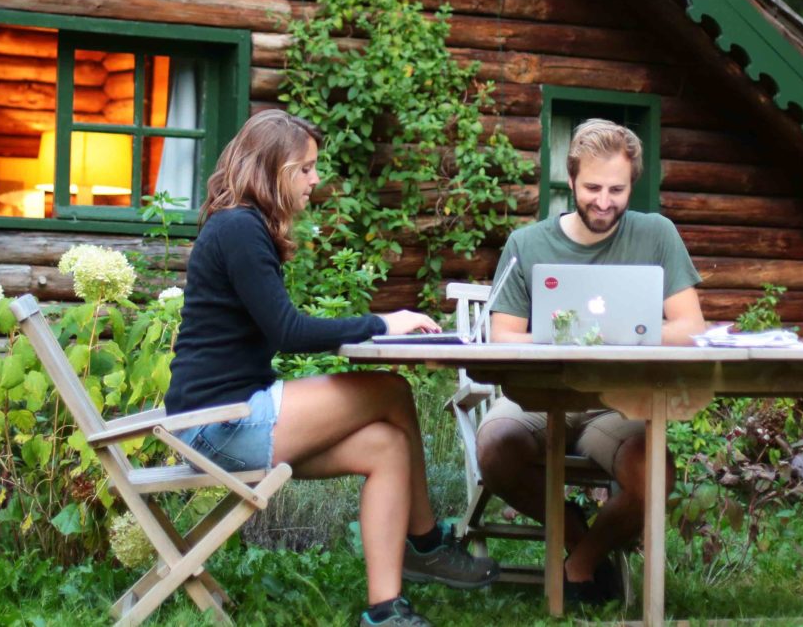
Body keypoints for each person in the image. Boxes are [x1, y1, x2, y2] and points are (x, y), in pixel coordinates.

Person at [166, 109, 497, 627]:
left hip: (229, 418)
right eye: (306, 168)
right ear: (273, 169)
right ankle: (429, 545)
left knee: (388, 447)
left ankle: (385, 611)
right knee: (390, 391)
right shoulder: (239, 228)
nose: (315, 180)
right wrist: (383, 323)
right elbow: (288, 332)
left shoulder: (241, 226)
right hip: (218, 424)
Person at [476, 119, 705, 606]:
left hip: (617, 406)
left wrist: (615, 336)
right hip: (539, 398)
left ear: (633, 184)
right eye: (593, 187)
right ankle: (576, 530)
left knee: (655, 473)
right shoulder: (528, 244)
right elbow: (503, 335)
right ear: (571, 180)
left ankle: (581, 560)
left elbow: (691, 327)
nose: (604, 201)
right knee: (495, 447)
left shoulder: (656, 234)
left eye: (617, 189)